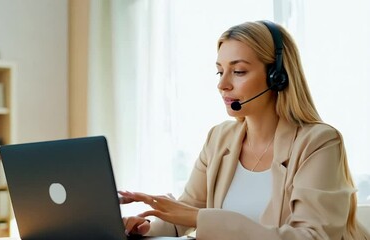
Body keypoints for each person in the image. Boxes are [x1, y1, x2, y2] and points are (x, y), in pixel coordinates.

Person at [119, 20, 370, 239]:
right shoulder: (220, 138)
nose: (222, 84)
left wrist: (201, 218)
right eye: (219, 71)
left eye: (238, 71)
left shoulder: (319, 142)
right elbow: (187, 210)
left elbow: (312, 237)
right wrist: (148, 227)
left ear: (277, 76)